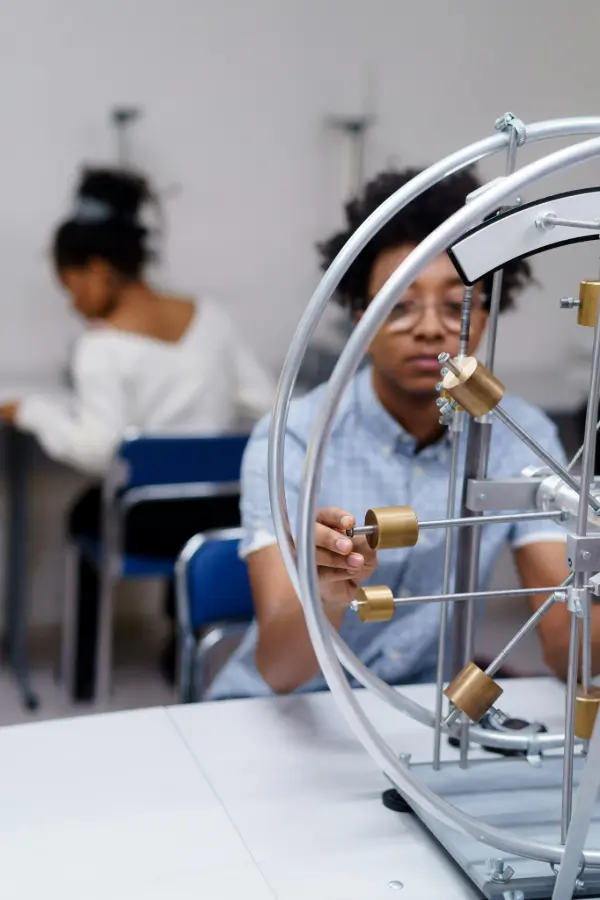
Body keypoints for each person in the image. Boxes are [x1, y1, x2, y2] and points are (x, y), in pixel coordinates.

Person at [208, 165, 588, 702]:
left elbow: (563, 642)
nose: (431, 328)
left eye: (457, 303)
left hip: (419, 714)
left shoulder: (519, 435)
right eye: (399, 305)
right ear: (361, 321)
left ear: (486, 313)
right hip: (287, 714)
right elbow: (280, 669)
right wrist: (327, 596)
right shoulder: (293, 438)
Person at [0, 167, 275, 699]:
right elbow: (264, 403)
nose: (72, 302)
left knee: (84, 510)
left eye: (71, 286)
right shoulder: (211, 318)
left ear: (99, 271)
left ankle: (83, 672)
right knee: (182, 512)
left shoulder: (100, 347)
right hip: (221, 515)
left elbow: (98, 451)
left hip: (141, 526)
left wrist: (33, 410)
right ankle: (181, 650)